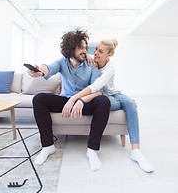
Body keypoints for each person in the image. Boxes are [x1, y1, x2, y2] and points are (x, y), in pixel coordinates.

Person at [28, 29, 110, 171]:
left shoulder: (91, 64)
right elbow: (48, 68)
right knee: (39, 99)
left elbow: (98, 90)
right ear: (70, 49)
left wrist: (80, 100)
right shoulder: (62, 62)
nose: (85, 51)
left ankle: (92, 150)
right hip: (65, 102)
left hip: (84, 103)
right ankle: (48, 146)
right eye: (81, 48)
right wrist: (39, 71)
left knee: (104, 101)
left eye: (85, 47)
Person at [69, 39, 153, 173]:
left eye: (100, 51)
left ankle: (136, 151)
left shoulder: (110, 68)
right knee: (108, 103)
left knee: (130, 103)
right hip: (103, 97)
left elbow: (97, 85)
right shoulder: (91, 62)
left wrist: (78, 98)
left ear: (109, 55)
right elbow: (96, 88)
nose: (96, 52)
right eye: (96, 49)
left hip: (115, 94)